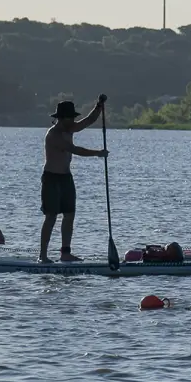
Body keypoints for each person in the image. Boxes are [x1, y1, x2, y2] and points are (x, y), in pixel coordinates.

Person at [39, 98, 108, 263]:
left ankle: (65, 253)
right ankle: (43, 255)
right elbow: (74, 150)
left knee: (69, 215)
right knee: (51, 217)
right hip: (51, 179)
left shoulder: (70, 129)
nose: (73, 120)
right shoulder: (53, 134)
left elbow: (89, 120)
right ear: (61, 118)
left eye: (73, 117)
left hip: (66, 178)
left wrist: (99, 106)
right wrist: (98, 153)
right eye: (70, 117)